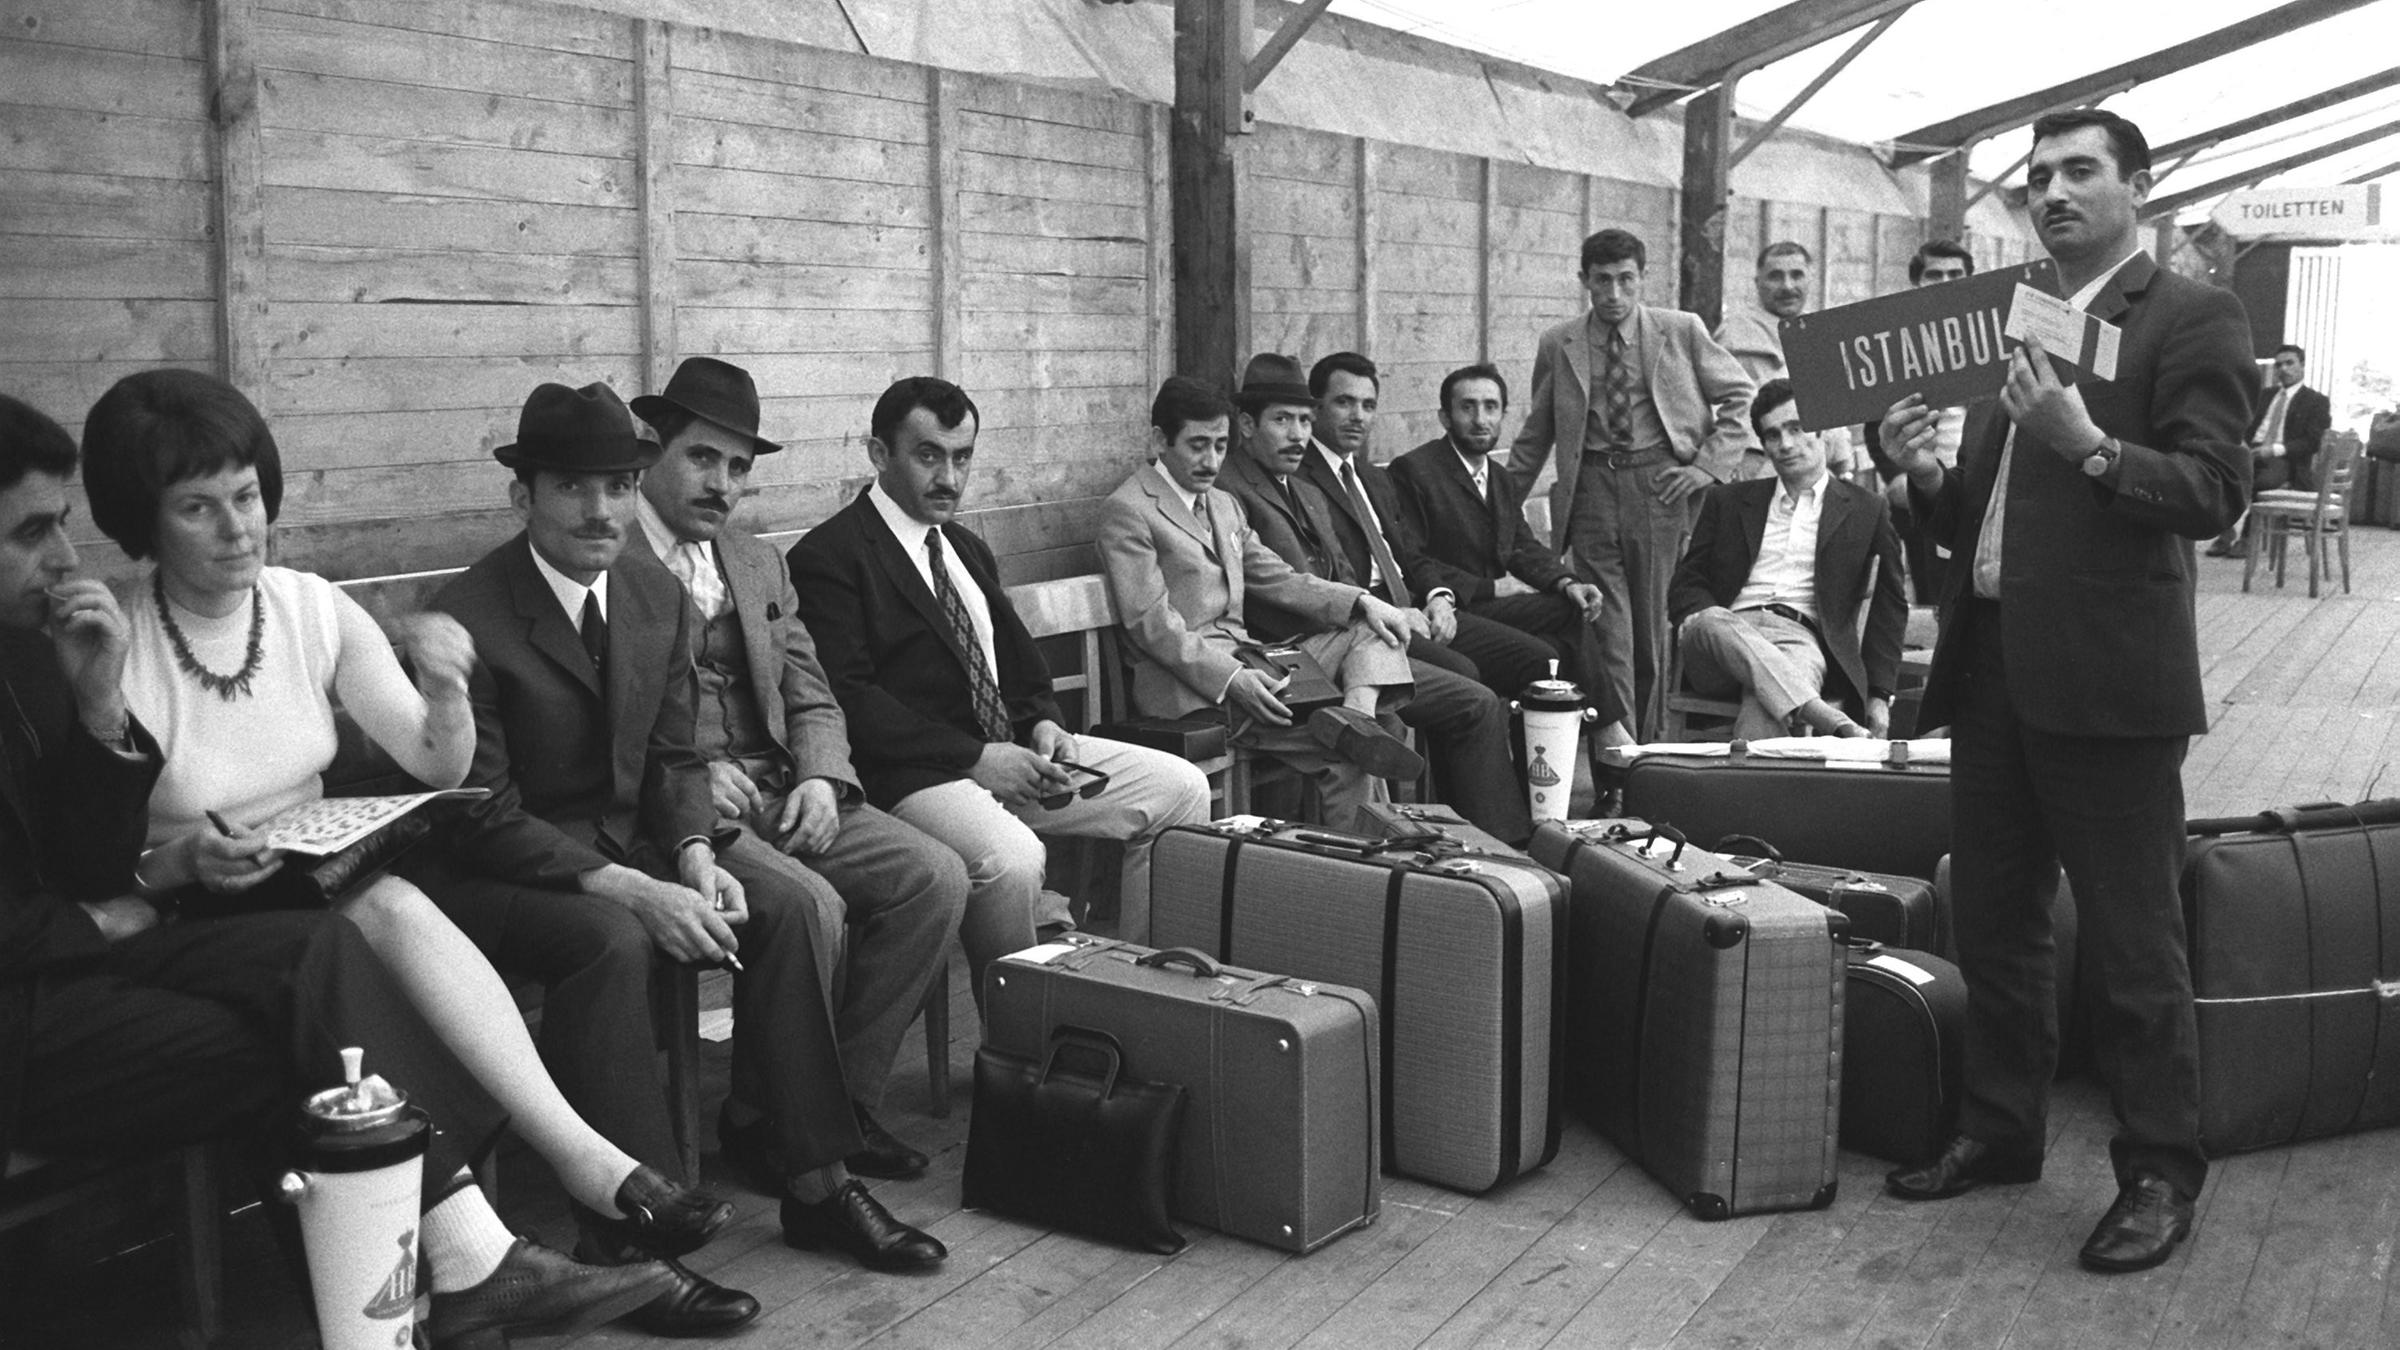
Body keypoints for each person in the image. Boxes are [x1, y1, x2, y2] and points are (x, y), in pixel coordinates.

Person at [75, 370, 749, 1335]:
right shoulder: (118, 641)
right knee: (378, 924)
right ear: (143, 518)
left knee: (389, 907)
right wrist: (176, 862)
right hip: (188, 910)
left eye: (248, 497)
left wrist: (440, 688)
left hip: (313, 882)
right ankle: (576, 1187)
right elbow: (91, 865)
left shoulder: (309, 607)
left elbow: (436, 762)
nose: (237, 530)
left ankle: (579, 1175)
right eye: (197, 507)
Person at [421, 380, 947, 1276]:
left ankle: (817, 1184)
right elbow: (482, 813)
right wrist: (634, 884)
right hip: (511, 865)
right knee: (615, 939)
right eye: (573, 489)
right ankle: (633, 1228)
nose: (601, 511)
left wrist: (697, 854)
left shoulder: (648, 592)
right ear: (524, 497)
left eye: (619, 486)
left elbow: (670, 759)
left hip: (638, 836)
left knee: (780, 907)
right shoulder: (475, 612)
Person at [1876, 109, 2253, 1275]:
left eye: (2079, 172)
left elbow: (2214, 489)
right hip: (1990, 669)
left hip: (2108, 683)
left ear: (2136, 186)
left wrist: (2090, 442)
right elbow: (1986, 511)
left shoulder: (2191, 315)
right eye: (2037, 176)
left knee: (2136, 941)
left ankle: (2157, 1172)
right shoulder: (2021, 314)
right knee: (1995, 921)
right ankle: (2001, 1129)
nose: (2052, 192)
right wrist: (1925, 472)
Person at [629, 357, 966, 1184]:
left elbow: (812, 691)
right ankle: (784, 1126)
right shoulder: (610, 557)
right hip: (679, 812)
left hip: (784, 789)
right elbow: (596, 721)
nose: (723, 484)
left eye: (738, 467)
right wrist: (698, 773)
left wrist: (821, 777)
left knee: (935, 877)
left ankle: (831, 1108)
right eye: (702, 459)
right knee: (811, 906)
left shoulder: (756, 562)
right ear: (652, 457)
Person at [787, 376, 1210, 949]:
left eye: (962, 457)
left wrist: (1043, 721)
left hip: (1014, 755)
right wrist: (976, 758)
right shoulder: (830, 557)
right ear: (879, 453)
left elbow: (1016, 662)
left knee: (1183, 788)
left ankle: (1144, 982)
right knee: (1013, 859)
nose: (949, 478)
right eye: (929, 456)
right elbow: (850, 701)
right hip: (915, 779)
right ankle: (1010, 1026)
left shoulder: (964, 547)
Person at [1216, 353, 1529, 845]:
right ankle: (1450, 844)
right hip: (1297, 651)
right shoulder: (1229, 490)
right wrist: (1368, 607)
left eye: (1303, 419)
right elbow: (1277, 583)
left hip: (1352, 641)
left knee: (1478, 689)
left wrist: (1411, 603)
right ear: (1247, 424)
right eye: (1282, 420)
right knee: (1462, 699)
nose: (1298, 433)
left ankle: (1466, 839)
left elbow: (1345, 569)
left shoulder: (1303, 487)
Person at [1097, 376, 1422, 835]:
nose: (1212, 460)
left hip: (1258, 663)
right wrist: (1231, 679)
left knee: (1374, 626)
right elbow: (1153, 625)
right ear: (1158, 440)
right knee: (1359, 751)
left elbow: (1280, 578)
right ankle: (1366, 877)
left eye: (1221, 445)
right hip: (1195, 690)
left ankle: (1356, 719)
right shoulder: (1130, 510)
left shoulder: (1224, 504)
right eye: (1198, 446)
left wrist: (1364, 600)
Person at [1506, 227, 1754, 740]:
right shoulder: (1560, 343)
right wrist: (1494, 501)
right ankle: (1622, 759)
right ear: (1584, 281)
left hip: (1661, 488)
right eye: (1602, 281)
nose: (1613, 295)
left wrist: (1705, 468)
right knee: (1608, 633)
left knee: (1652, 629)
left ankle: (1655, 748)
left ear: (1643, 279)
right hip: (1591, 490)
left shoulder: (1679, 330)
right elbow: (1537, 432)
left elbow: (1740, 397)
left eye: (1625, 280)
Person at [1388, 363, 1629, 745]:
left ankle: (1575, 763)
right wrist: (1491, 588)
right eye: (1467, 407)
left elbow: (1521, 546)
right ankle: (1607, 740)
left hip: (1498, 613)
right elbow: (1413, 559)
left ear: (1503, 415)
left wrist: (1566, 582)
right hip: (1453, 611)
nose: (1480, 419)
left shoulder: (1499, 477)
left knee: (1566, 626)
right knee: (1559, 636)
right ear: (1444, 417)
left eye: (1490, 407)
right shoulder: (1415, 471)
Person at [1667, 378, 1907, 740]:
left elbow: (1890, 605)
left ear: (1823, 430)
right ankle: (1824, 716)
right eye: (1773, 435)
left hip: (1801, 639)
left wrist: (1878, 695)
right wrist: (1698, 615)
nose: (1786, 444)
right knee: (1712, 619)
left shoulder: (1866, 510)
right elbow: (1688, 581)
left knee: (1766, 698)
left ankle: (1746, 794)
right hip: (1721, 637)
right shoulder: (1728, 501)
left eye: (1796, 429)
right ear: (1763, 445)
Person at [1863, 240, 1978, 601]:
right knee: (1933, 590)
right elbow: (1874, 416)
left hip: (1978, 475)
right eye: (1935, 274)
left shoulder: (1983, 334)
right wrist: (1894, 474)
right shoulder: (1896, 339)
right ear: (1917, 281)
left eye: (1955, 274)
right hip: (1921, 481)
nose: (1945, 282)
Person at [1713, 241, 1857, 482]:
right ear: (1757, 283)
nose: (1787, 286)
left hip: (1818, 471)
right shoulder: (1736, 334)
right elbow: (1723, 412)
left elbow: (1835, 414)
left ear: (1810, 280)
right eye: (1775, 277)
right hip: (1761, 469)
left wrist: (1844, 468)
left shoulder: (1818, 333)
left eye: (1796, 275)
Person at [2206, 343, 2333, 555]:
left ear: (2302, 365)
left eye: (2289, 363)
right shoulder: (2264, 395)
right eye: (2279, 365)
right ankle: (2225, 533)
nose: (2283, 369)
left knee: (2263, 482)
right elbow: (2242, 424)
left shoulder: (2316, 401)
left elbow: (2312, 441)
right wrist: (2241, 442)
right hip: (2250, 450)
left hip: (2284, 457)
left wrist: (2274, 449)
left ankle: (2248, 537)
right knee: (2219, 475)